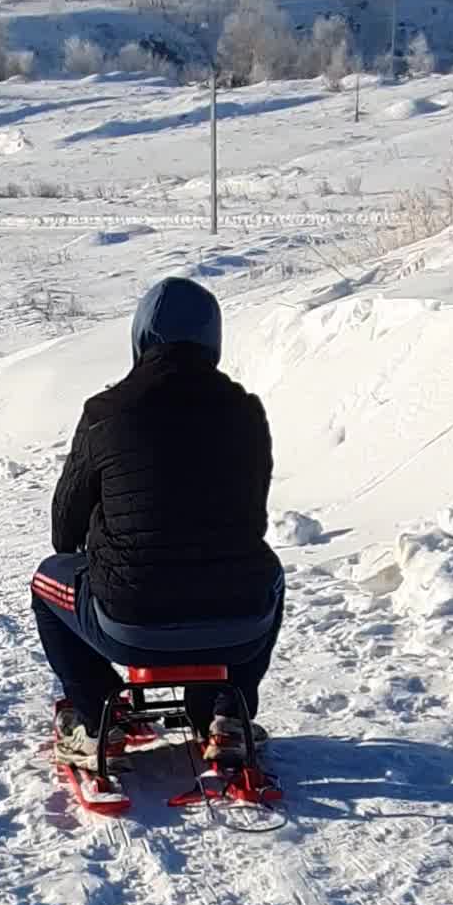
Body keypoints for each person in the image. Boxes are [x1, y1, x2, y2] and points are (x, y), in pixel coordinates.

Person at [30, 275, 283, 764]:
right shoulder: (246, 413)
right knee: (269, 574)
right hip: (240, 622)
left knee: (46, 581)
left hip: (131, 623)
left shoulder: (105, 412)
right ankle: (228, 712)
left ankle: (94, 713)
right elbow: (252, 519)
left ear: (141, 337)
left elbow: (65, 530)